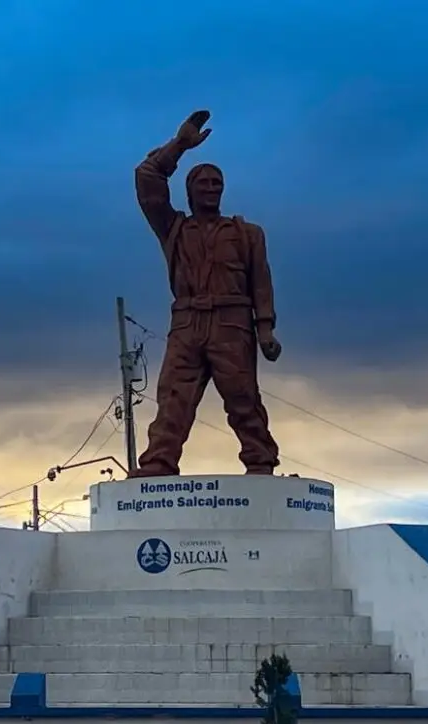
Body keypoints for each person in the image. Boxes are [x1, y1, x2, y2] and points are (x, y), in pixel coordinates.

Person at [130, 110, 281, 477]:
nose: (211, 189)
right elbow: (146, 177)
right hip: (187, 321)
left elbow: (260, 281)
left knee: (243, 395)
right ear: (189, 190)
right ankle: (159, 463)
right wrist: (180, 145)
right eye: (204, 183)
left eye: (217, 184)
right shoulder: (174, 229)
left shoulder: (247, 233)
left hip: (232, 322)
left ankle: (260, 461)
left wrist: (265, 329)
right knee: (173, 397)